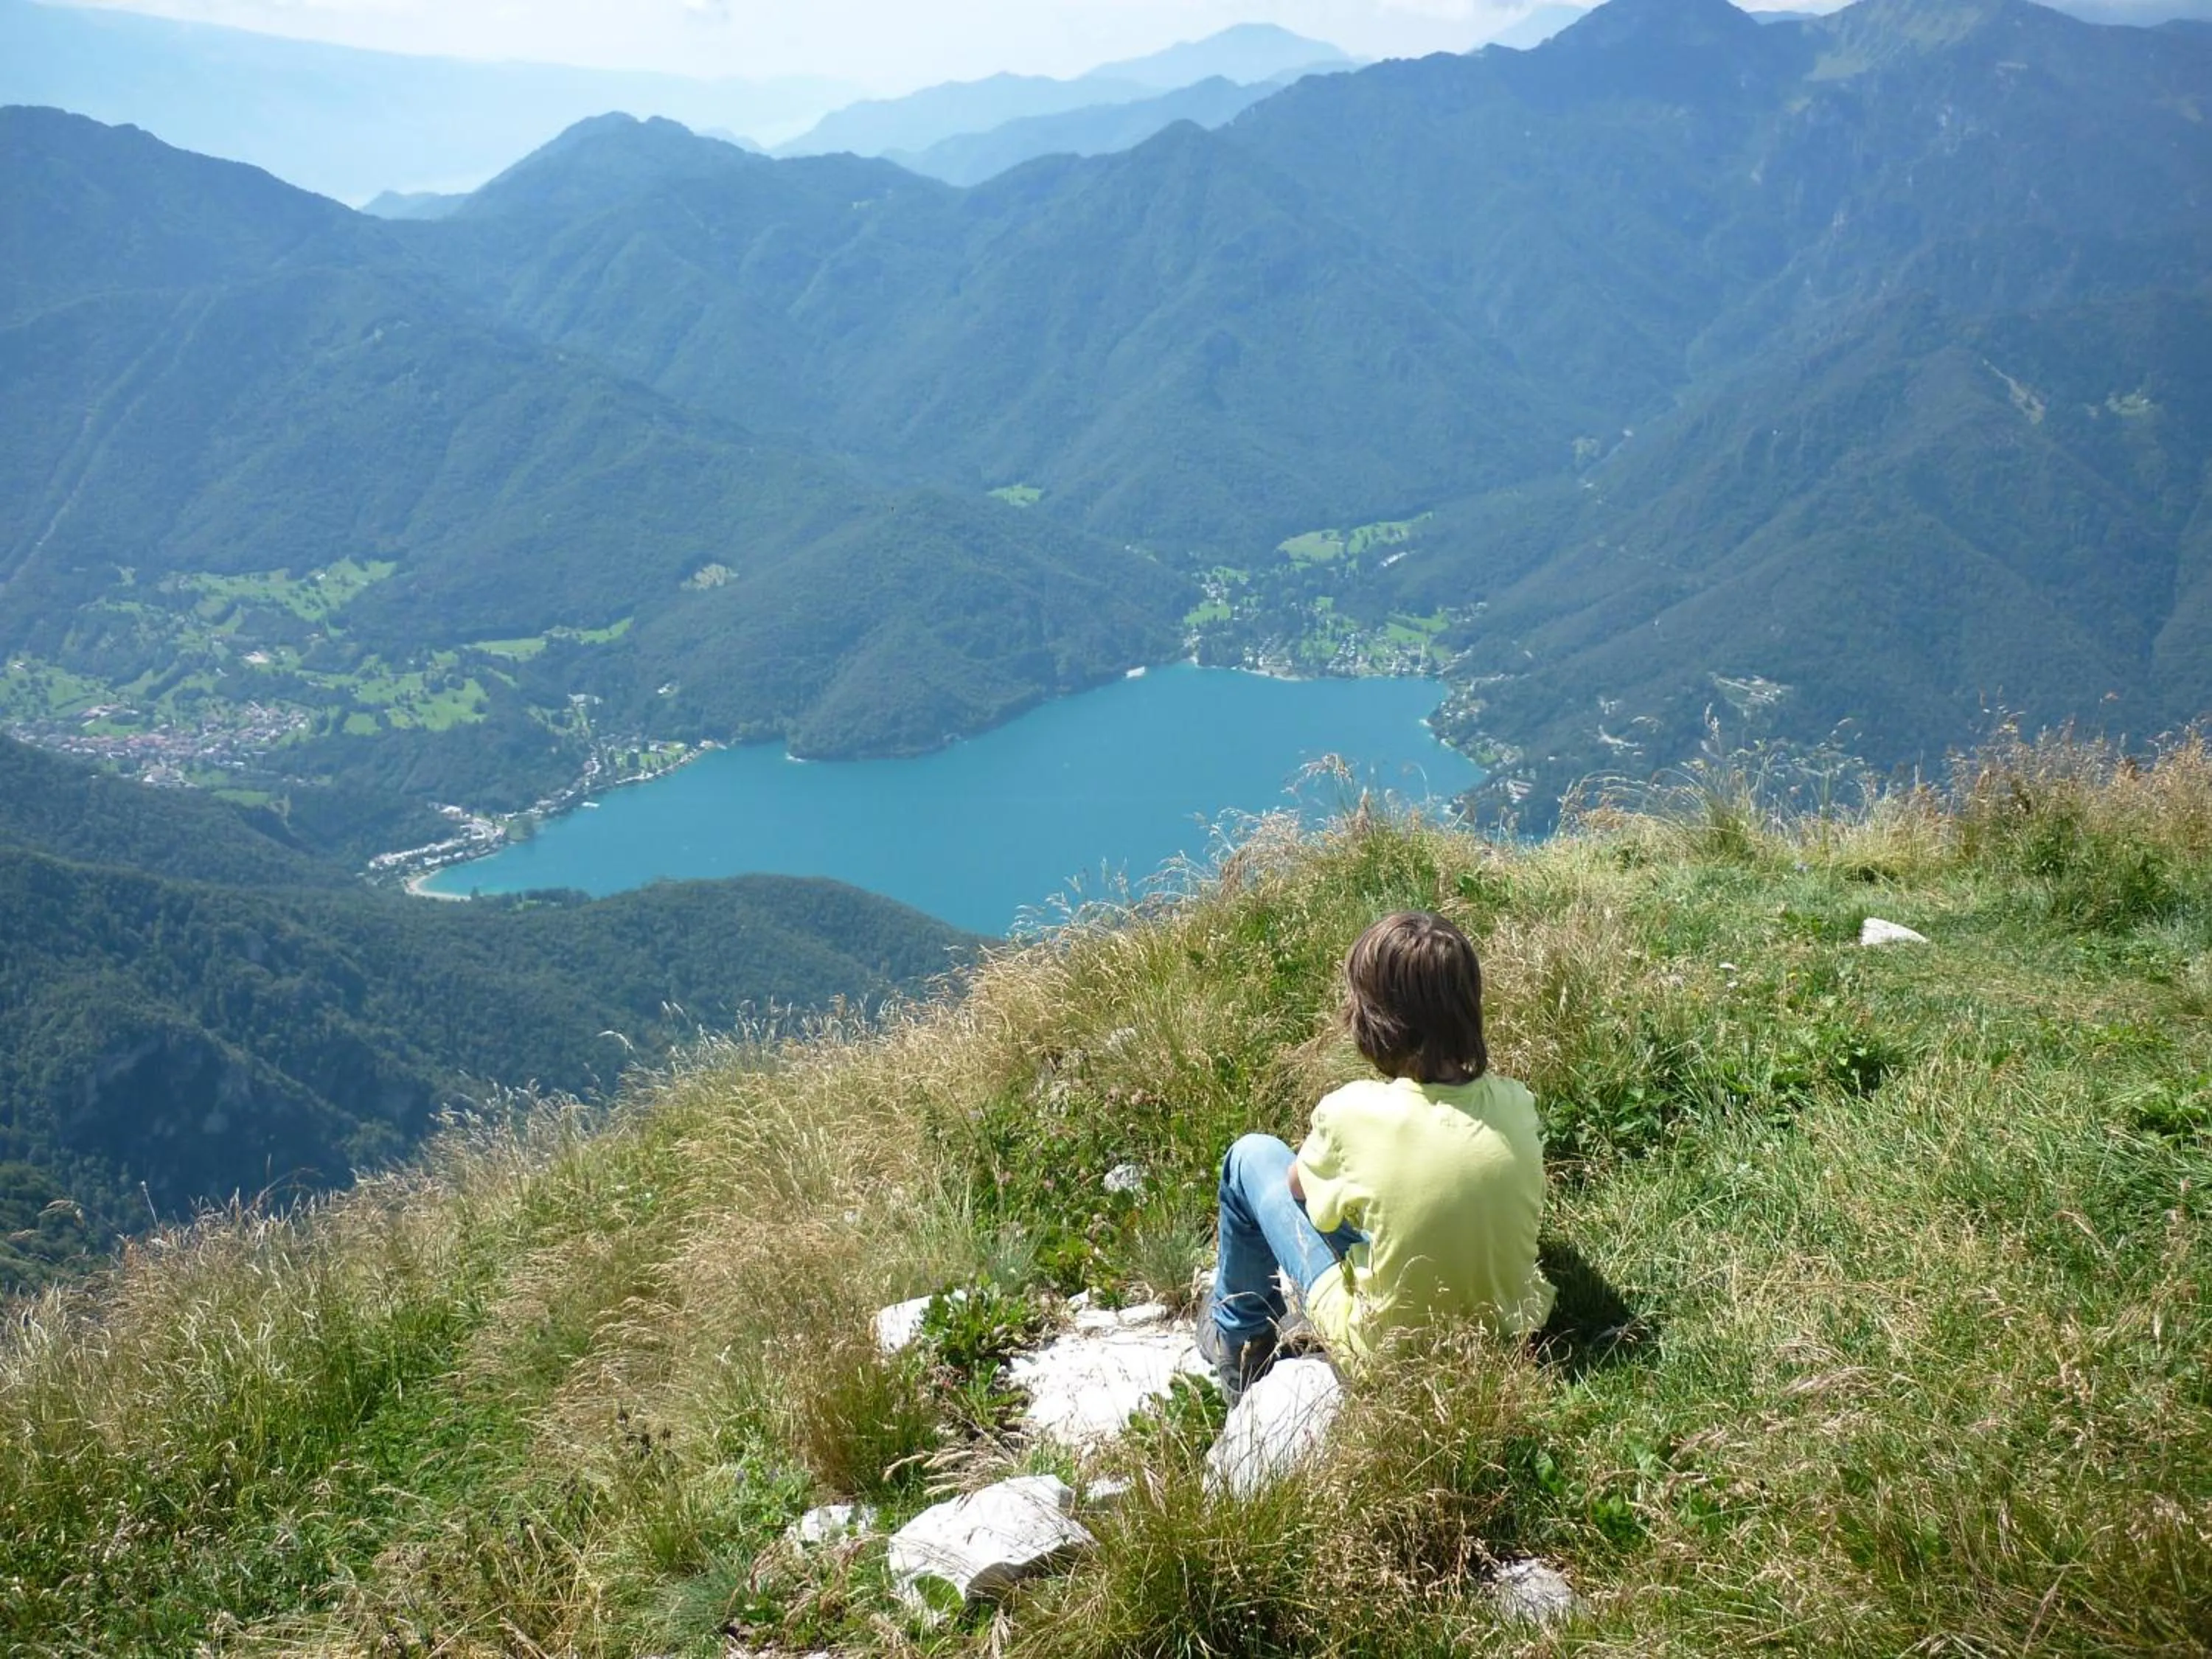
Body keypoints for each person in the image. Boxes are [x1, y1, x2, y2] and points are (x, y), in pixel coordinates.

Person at [1198, 910, 1554, 1402]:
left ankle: (1240, 1341)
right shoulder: (1516, 1103)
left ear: (1376, 1022)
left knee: (1250, 1158)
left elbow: (1296, 1189)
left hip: (1386, 1353)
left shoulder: (1352, 1111)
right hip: (1502, 1339)